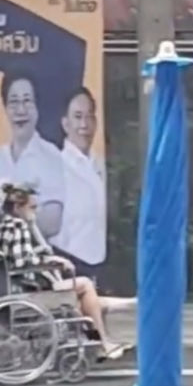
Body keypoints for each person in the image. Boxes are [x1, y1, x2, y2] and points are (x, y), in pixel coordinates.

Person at [0, 184, 128, 360]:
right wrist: (51, 261)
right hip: (29, 288)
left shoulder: (2, 226)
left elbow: (15, 254)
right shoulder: (18, 225)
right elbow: (22, 263)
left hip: (13, 286)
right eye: (32, 207)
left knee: (84, 301)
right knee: (85, 285)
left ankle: (97, 341)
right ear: (17, 208)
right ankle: (101, 342)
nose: (35, 213)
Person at [0, 72, 65, 240]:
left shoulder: (51, 156)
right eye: (14, 102)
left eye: (27, 101)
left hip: (37, 258)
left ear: (37, 108)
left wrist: (4, 217)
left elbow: (51, 223)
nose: (21, 111)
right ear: (5, 108)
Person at [52, 88, 107, 266]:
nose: (84, 124)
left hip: (102, 263)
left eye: (89, 116)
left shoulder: (100, 164)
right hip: (68, 264)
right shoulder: (55, 167)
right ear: (65, 124)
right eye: (77, 116)